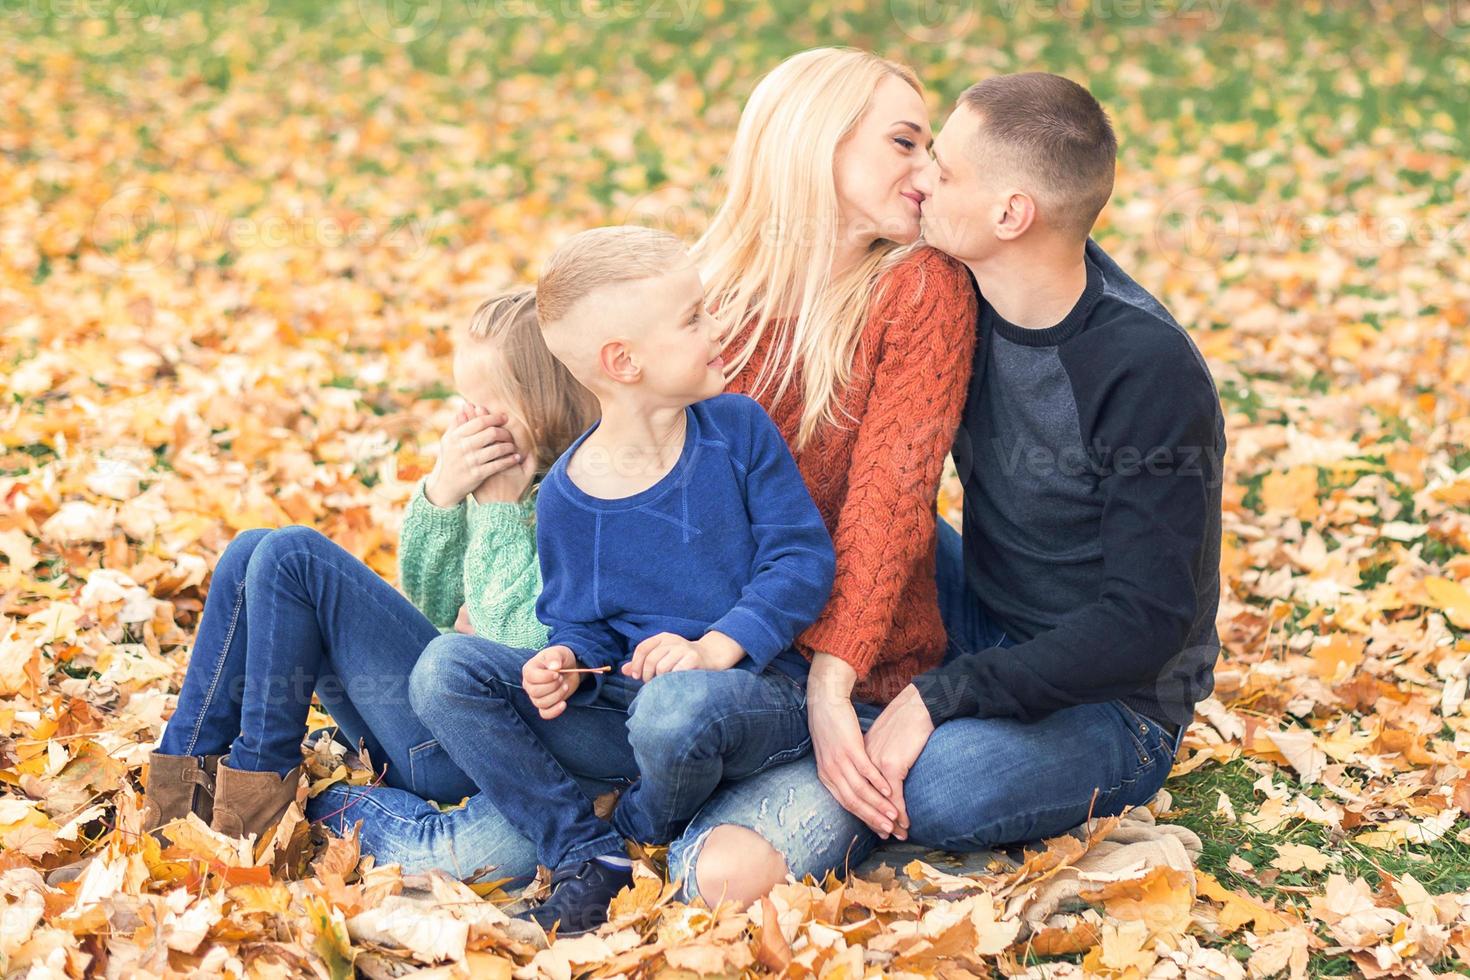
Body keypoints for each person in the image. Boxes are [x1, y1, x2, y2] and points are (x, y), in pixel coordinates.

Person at [308, 47, 977, 910]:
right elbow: (596, 456)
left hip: (815, 677)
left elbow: (887, 508)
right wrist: (552, 638)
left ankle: (625, 825)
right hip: (645, 673)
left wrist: (828, 686)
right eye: (904, 143)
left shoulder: (918, 286)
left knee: (711, 877)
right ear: (816, 142)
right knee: (473, 764)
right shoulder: (704, 289)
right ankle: (548, 828)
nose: (927, 171)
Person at [682, 71, 1226, 906]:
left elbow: (1145, 624)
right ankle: (828, 728)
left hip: (1114, 697)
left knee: (943, 789)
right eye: (919, 148)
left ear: (1010, 215)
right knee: (852, 532)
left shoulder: (1143, 369)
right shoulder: (959, 284)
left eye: (944, 165)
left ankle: (831, 762)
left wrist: (941, 697)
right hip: (982, 611)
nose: (923, 175)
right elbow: (882, 495)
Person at [46, 288, 596, 885]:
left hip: (474, 747)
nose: (469, 425)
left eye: (488, 408)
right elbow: (432, 605)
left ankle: (255, 819)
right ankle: (175, 795)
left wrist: (496, 515)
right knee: (251, 548)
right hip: (421, 719)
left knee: (292, 555)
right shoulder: (509, 479)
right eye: (463, 405)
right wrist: (442, 492)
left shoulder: (575, 504)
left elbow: (511, 649)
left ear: (546, 406)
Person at [405, 226, 836, 935]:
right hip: (629, 711)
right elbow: (581, 623)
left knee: (675, 709)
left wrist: (712, 650)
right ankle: (586, 851)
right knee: (443, 668)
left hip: (755, 698)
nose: (716, 326)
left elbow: (801, 562)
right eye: (693, 318)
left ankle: (642, 826)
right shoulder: (568, 494)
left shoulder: (737, 430)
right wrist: (566, 662)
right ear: (623, 361)